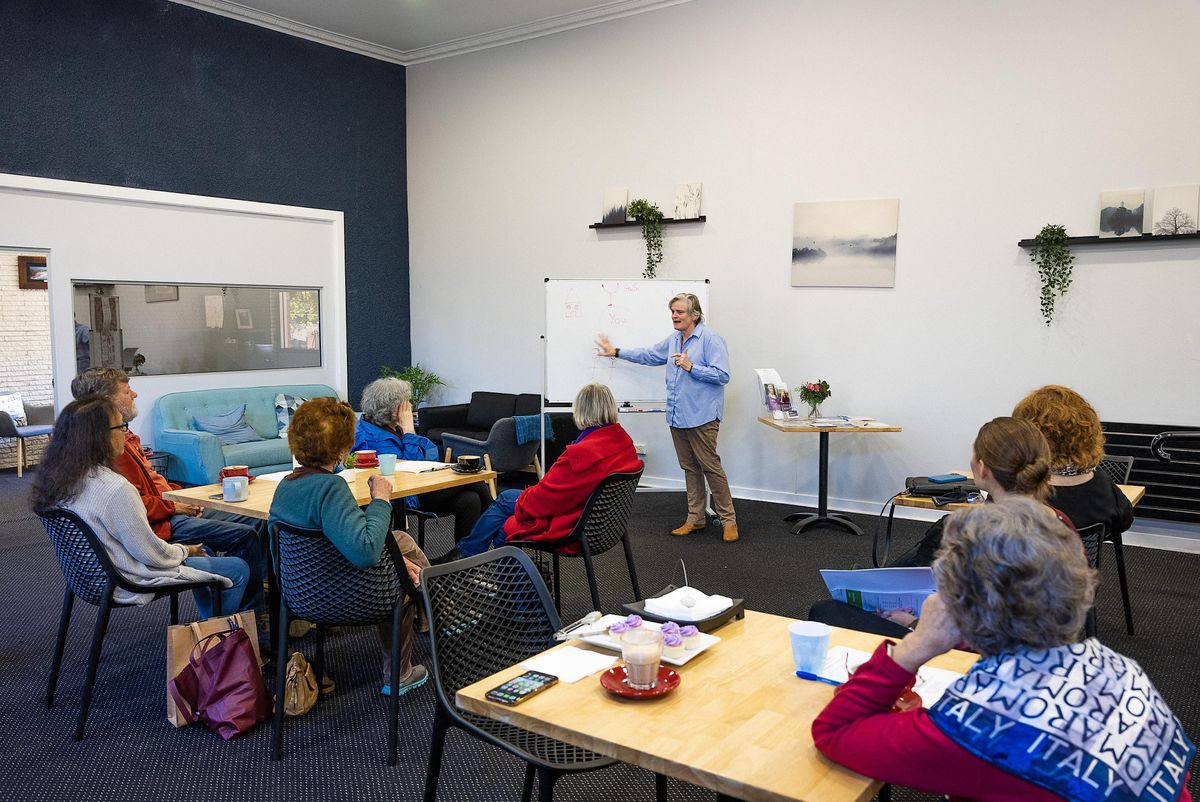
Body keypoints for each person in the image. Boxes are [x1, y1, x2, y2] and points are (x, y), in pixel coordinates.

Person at [813, 497, 1194, 802]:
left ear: (958, 605)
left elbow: (833, 731)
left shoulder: (982, 728)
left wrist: (916, 645)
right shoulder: (1123, 670)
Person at [809, 416, 1072, 638]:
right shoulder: (1062, 522)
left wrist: (912, 624)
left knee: (825, 611)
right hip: (1045, 643)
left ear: (981, 468)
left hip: (977, 652)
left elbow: (967, 629)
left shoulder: (974, 536)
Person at [70, 367, 266, 617]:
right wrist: (177, 512)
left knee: (252, 523)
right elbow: (139, 522)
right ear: (107, 402)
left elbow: (153, 485)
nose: (135, 394)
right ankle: (246, 621)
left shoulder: (112, 446)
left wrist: (181, 496)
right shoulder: (112, 457)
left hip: (165, 517)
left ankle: (249, 607)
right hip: (161, 528)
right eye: (126, 390)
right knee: (247, 534)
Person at [29, 396, 248, 619]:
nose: (125, 434)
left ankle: (213, 630)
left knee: (207, 551)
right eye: (121, 426)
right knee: (238, 568)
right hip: (126, 576)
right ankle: (217, 642)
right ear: (100, 436)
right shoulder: (114, 488)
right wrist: (186, 550)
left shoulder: (60, 478)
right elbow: (152, 555)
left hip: (87, 575)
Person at [269, 397, 430, 697]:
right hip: (345, 595)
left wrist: (394, 557)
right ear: (343, 449)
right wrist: (380, 499)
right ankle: (401, 671)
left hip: (300, 594)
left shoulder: (285, 487)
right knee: (403, 577)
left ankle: (433, 607)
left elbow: (309, 547)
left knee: (401, 542)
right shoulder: (331, 488)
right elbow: (366, 551)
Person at [595, 292, 739, 542]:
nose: (674, 316)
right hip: (678, 415)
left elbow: (722, 375)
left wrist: (691, 367)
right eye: (672, 311)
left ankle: (729, 521)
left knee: (711, 468)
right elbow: (650, 355)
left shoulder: (711, 339)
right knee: (690, 468)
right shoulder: (674, 339)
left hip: (702, 416)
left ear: (694, 315)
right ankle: (695, 519)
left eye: (680, 312)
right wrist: (616, 351)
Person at [449, 383, 642, 559]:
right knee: (506, 507)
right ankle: (467, 559)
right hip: (605, 526)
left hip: (572, 527)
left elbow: (542, 501)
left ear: (581, 410)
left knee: (505, 509)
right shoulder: (623, 441)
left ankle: (466, 561)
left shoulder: (582, 454)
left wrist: (524, 502)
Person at [353, 377, 491, 545]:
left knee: (470, 500)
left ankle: (465, 557)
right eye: (406, 403)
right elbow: (410, 470)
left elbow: (430, 455)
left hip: (422, 485)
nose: (410, 406)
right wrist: (410, 431)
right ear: (394, 408)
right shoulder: (372, 438)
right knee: (472, 479)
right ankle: (500, 522)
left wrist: (407, 434)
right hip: (406, 493)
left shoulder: (393, 428)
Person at [1012, 384, 1134, 541]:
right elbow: (1123, 522)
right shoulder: (1101, 483)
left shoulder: (1017, 490)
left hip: (1030, 563)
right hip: (1082, 564)